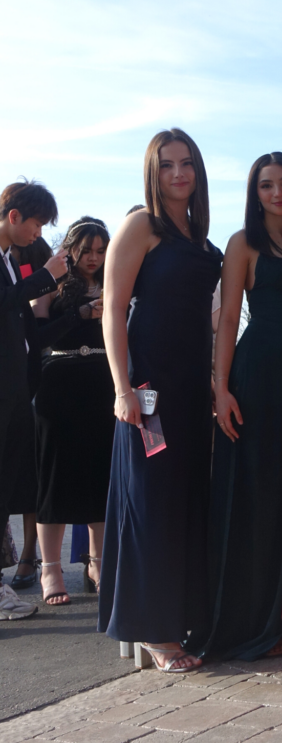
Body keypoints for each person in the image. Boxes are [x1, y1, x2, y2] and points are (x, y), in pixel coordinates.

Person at [98, 129, 222, 672]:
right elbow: (112, 309)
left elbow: (211, 317)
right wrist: (122, 388)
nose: (178, 173)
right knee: (151, 501)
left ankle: (184, 618)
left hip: (192, 389)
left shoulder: (202, 238)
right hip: (148, 393)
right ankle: (153, 629)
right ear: (153, 172)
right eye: (167, 164)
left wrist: (217, 380)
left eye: (186, 163)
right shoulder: (140, 226)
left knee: (186, 500)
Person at [199, 152, 282, 660]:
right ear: (255, 193)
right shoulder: (242, 243)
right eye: (267, 185)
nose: (278, 193)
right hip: (257, 379)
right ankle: (253, 623)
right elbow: (227, 320)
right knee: (259, 497)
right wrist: (221, 388)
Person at [31, 218, 114, 605]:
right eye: (86, 251)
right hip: (59, 383)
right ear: (70, 249)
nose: (94, 258)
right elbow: (37, 338)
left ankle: (97, 565)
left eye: (101, 251)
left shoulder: (116, 280)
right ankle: (50, 569)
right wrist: (79, 315)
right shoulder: (50, 282)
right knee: (54, 478)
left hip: (102, 384)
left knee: (100, 476)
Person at [0, 180, 67, 620]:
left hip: (15, 387)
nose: (38, 233)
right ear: (14, 216)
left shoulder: (10, 260)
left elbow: (27, 331)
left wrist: (77, 315)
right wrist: (45, 277)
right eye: (37, 224)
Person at [7, 237, 53, 591]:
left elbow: (38, 337)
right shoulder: (20, 274)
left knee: (32, 474)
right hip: (13, 384)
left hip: (39, 381)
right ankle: (23, 556)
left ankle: (28, 555)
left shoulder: (42, 266)